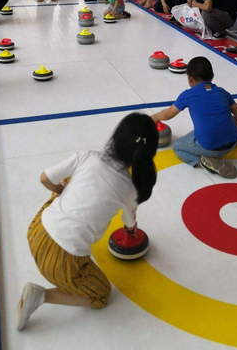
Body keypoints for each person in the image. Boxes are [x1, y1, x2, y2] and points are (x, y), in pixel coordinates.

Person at [16, 113, 159, 330]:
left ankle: (63, 193)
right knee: (101, 295)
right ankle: (41, 296)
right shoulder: (131, 189)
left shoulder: (88, 156)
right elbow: (129, 222)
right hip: (61, 260)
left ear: (116, 137)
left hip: (37, 229)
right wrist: (131, 231)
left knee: (68, 184)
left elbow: (45, 178)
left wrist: (61, 190)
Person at [151, 56, 237, 178]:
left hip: (211, 147)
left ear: (189, 78)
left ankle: (204, 163)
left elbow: (168, 114)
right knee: (217, 123)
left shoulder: (188, 95)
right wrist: (226, 129)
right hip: (232, 141)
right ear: (212, 75)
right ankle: (222, 139)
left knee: (178, 146)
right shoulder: (222, 92)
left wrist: (154, 117)